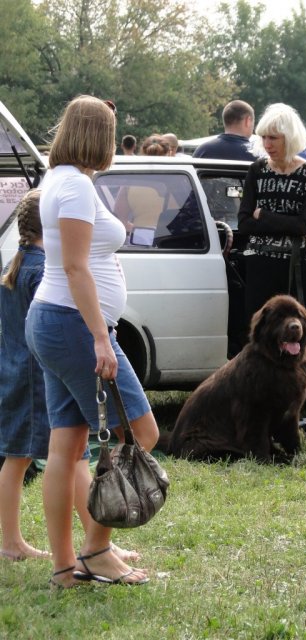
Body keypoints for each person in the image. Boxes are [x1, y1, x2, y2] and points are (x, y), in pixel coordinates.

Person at [25, 95, 159, 587]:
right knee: (142, 433)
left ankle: (65, 567)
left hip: (54, 321)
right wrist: (101, 338)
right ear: (100, 136)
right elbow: (75, 266)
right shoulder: (77, 187)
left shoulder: (61, 179)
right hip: (73, 325)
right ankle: (96, 549)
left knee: (68, 447)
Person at [237, 103, 306, 445]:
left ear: (289, 137)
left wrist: (264, 215)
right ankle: (255, 429)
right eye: (264, 136)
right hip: (261, 267)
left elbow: (304, 224)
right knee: (257, 344)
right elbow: (243, 224)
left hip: (300, 268)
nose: (268, 143)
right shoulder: (255, 171)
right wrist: (282, 224)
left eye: (275, 137)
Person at [0, 190, 50, 561]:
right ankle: (12, 543)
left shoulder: (16, 266)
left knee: (18, 459)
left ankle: (12, 541)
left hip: (15, 370)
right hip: (34, 375)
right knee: (19, 459)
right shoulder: (42, 269)